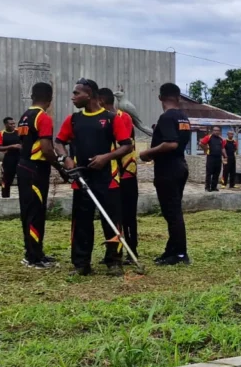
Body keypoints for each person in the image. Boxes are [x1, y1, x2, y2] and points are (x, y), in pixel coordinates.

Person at [54, 78, 134, 276]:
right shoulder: (73, 119)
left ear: (89, 94)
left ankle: (114, 261)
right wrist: (66, 159)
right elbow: (58, 142)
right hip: (81, 180)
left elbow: (127, 145)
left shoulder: (111, 118)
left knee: (111, 221)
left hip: (108, 179)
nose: (73, 97)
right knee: (81, 223)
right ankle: (81, 264)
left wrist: (106, 157)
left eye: (76, 93)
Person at [140, 83, 192, 265]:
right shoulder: (183, 117)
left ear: (160, 97)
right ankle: (171, 250)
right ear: (178, 98)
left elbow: (171, 144)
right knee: (172, 211)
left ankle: (179, 254)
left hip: (168, 169)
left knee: (172, 213)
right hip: (179, 166)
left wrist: (148, 153)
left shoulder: (167, 117)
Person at [16, 83, 60, 268]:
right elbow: (47, 149)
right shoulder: (43, 118)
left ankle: (33, 251)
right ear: (50, 99)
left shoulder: (24, 116)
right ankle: (34, 258)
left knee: (27, 211)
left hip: (23, 166)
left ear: (32, 95)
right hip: (36, 169)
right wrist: (61, 168)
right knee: (36, 211)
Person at [98, 88, 139, 259]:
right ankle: (114, 251)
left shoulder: (123, 118)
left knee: (127, 215)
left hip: (125, 173)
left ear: (101, 101)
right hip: (109, 174)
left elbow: (122, 144)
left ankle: (131, 250)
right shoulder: (101, 119)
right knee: (111, 215)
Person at [0, 116, 22, 198]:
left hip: (20, 159)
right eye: (11, 124)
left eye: (14, 123)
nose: (13, 125)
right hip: (9, 160)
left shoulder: (19, 132)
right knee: (6, 180)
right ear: (5, 124)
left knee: (23, 180)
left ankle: (23, 198)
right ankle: (5, 197)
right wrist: (12, 146)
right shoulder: (0, 134)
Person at [199, 126, 223, 192]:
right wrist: (205, 150)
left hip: (218, 158)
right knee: (209, 173)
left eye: (218, 130)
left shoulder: (220, 139)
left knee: (216, 173)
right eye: (215, 130)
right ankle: (207, 187)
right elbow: (201, 143)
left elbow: (223, 148)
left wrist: (225, 156)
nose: (216, 131)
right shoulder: (208, 137)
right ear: (212, 131)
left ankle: (213, 187)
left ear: (219, 131)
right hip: (211, 158)